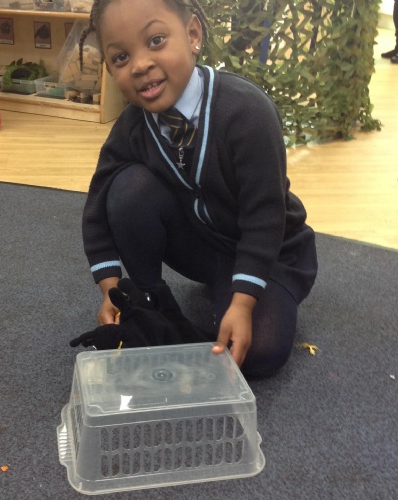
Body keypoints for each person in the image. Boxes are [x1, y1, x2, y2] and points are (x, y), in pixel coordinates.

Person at [79, 0, 318, 378]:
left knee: (261, 352)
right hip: (205, 246)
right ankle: (151, 301)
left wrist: (242, 303)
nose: (140, 65)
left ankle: (234, 297)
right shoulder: (132, 125)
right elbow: (97, 206)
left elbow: (265, 218)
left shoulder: (247, 112)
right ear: (110, 68)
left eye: (156, 40)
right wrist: (112, 291)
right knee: (127, 188)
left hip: (274, 250)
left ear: (193, 34)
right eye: (121, 57)